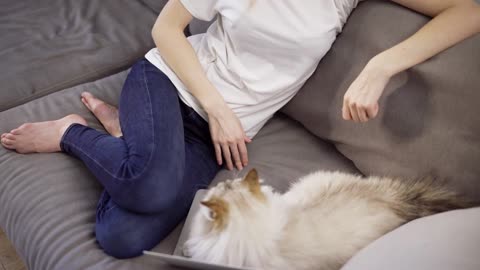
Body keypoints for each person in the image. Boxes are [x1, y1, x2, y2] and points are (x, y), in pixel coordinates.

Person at [1, 0, 479, 259]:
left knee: (120, 239)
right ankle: (71, 133)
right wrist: (217, 108)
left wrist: (381, 65)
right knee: (150, 186)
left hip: (222, 132)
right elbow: (167, 31)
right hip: (171, 84)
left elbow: (469, 9)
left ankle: (130, 145)